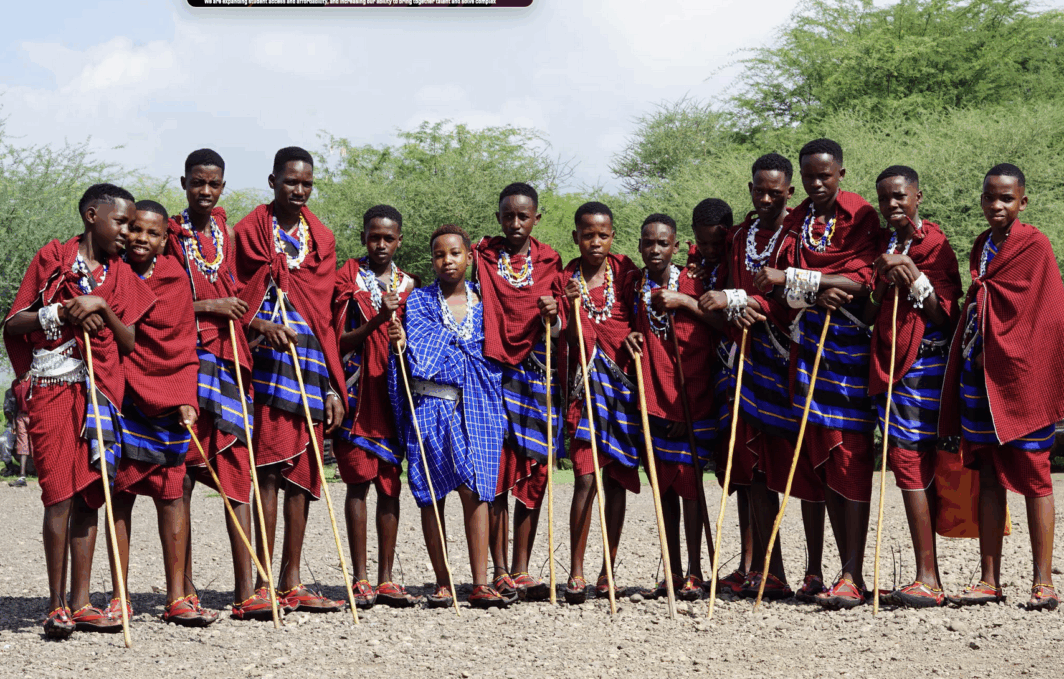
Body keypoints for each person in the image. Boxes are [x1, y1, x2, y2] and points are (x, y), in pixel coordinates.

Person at [3, 183, 155, 637]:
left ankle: (83, 601)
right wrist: (62, 314)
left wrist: (102, 309)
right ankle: (55, 605)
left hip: (102, 393)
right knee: (59, 494)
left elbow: (129, 341)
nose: (128, 232)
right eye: (121, 222)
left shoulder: (122, 277)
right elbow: (14, 323)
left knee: (92, 494)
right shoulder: (51, 259)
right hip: (53, 388)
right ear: (93, 215)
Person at [755, 138, 881, 609]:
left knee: (851, 456)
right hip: (808, 349)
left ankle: (853, 571)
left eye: (824, 175)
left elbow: (861, 281)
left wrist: (803, 281)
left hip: (849, 353)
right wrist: (809, 290)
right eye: (809, 176)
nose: (816, 183)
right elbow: (778, 288)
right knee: (823, 458)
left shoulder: (860, 215)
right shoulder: (798, 220)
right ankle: (835, 572)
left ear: (842, 173)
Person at [703, 153, 828, 602]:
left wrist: (742, 299)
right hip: (748, 358)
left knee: (807, 462)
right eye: (760, 189)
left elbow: (802, 293)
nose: (768, 197)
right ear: (751, 188)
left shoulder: (801, 233)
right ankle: (769, 569)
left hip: (793, 356)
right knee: (752, 463)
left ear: (789, 191)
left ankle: (814, 570)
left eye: (776, 191)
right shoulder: (741, 236)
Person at [939, 163, 1064, 611]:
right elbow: (982, 297)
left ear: (1023, 202)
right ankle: (989, 579)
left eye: (1007, 198)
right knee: (988, 477)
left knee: (1035, 476)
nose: (997, 205)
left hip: (1022, 377)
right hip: (981, 376)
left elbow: (1048, 314)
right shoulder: (981, 246)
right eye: (990, 197)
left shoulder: (1035, 245)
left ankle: (1043, 583)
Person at [235, 146, 347, 612]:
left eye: (306, 184)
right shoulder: (247, 232)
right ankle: (261, 579)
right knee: (266, 470)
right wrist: (260, 322)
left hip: (309, 362)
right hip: (265, 364)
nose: (298, 191)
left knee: (303, 472)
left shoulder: (320, 237)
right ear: (272, 180)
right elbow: (235, 292)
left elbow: (323, 315)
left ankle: (292, 579)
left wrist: (330, 384)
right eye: (290, 182)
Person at [167, 149, 270, 620]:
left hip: (230, 361)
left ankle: (246, 590)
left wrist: (258, 322)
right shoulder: (168, 235)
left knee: (236, 469)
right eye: (197, 183)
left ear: (222, 186)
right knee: (184, 471)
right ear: (184, 182)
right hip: (187, 361)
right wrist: (208, 308)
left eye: (214, 184)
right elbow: (151, 305)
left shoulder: (226, 233)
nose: (205, 192)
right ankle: (182, 591)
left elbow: (244, 293)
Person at [388, 224, 512, 609]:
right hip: (431, 405)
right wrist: (400, 343)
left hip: (477, 405)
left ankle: (479, 582)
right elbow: (420, 356)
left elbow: (496, 350)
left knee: (475, 489)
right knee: (432, 494)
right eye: (440, 255)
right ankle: (443, 582)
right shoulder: (420, 303)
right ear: (432, 260)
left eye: (455, 253)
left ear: (469, 257)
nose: (448, 261)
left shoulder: (486, 302)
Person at [104, 200, 212, 625]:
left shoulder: (173, 278)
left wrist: (185, 392)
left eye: (152, 233)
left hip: (169, 397)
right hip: (122, 394)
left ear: (166, 239)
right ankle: (119, 596)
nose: (141, 239)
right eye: (135, 229)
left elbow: (183, 343)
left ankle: (177, 597)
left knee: (172, 494)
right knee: (121, 497)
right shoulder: (112, 273)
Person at [863, 166, 962, 608]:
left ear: (919, 196)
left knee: (910, 458)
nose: (892, 206)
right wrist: (885, 280)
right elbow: (869, 309)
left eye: (900, 197)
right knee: (904, 460)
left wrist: (915, 277)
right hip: (887, 360)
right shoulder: (884, 245)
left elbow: (944, 315)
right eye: (885, 200)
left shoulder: (935, 245)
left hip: (922, 364)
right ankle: (926, 576)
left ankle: (929, 578)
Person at [473, 182, 562, 603]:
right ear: (498, 218)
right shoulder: (483, 257)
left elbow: (561, 329)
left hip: (537, 375)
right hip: (493, 372)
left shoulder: (550, 261)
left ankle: (523, 568)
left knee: (535, 470)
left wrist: (555, 314)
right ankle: (500, 569)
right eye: (507, 216)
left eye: (523, 216)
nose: (515, 223)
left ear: (536, 219)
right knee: (496, 472)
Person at [626, 213, 717, 601]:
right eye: (648, 243)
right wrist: (629, 335)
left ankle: (696, 571)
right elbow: (623, 322)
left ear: (676, 246)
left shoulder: (696, 282)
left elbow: (719, 325)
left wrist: (684, 301)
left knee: (691, 488)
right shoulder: (633, 286)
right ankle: (673, 571)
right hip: (652, 399)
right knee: (663, 491)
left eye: (663, 243)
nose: (655, 250)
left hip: (690, 398)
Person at [332, 205, 418, 608]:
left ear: (399, 240)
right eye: (373, 237)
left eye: (388, 238)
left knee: (389, 484)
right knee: (357, 483)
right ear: (364, 237)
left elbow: (418, 349)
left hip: (393, 394)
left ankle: (386, 577)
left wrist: (401, 338)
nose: (380, 244)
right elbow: (338, 341)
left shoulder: (411, 286)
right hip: (356, 393)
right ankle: (360, 578)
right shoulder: (347, 280)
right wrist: (375, 323)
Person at [561, 201, 641, 604]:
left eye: (603, 234)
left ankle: (608, 569)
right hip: (585, 390)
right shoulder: (564, 280)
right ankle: (576, 571)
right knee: (585, 478)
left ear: (613, 236)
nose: (596, 242)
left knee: (615, 481)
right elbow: (564, 339)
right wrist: (569, 306)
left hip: (622, 391)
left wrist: (634, 337)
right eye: (588, 235)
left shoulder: (627, 273)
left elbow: (642, 316)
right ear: (576, 237)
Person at [686, 198, 757, 597]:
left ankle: (756, 564)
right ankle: (746, 564)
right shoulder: (702, 266)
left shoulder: (738, 260)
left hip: (743, 368)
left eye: (717, 243)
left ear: (728, 234)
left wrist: (692, 302)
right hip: (716, 374)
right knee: (733, 474)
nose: (710, 250)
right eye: (703, 244)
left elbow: (727, 315)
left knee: (749, 470)